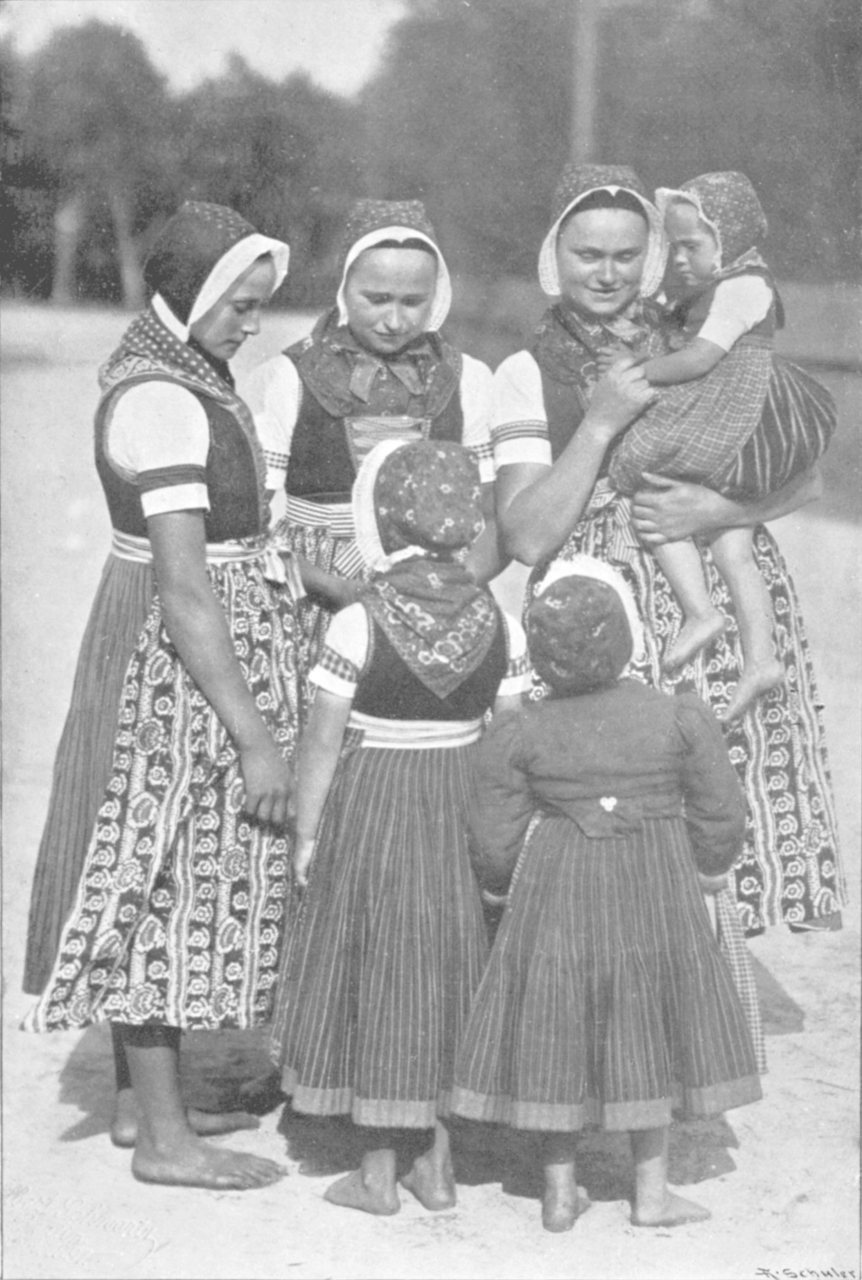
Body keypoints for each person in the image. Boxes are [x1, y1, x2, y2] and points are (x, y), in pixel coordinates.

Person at [491, 162, 844, 951]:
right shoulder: (528, 370)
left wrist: (724, 507)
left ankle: (703, 1000)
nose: (609, 274)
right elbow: (526, 537)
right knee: (608, 804)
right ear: (556, 256)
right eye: (589, 254)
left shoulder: (699, 329)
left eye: (627, 254)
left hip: (706, 579)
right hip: (597, 611)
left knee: (719, 778)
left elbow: (806, 472)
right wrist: (599, 424)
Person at [25, 201, 301, 1191]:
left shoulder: (189, 374)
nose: (251, 324)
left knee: (174, 855)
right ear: (187, 295)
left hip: (186, 637)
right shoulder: (163, 399)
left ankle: (151, 1099)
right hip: (173, 656)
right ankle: (163, 1139)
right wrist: (255, 735)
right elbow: (187, 590)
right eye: (239, 304)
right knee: (156, 864)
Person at [451, 558, 762, 1232]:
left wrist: (499, 888)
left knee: (559, 1022)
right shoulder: (679, 716)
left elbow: (494, 829)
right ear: (627, 641)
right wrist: (709, 869)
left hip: (559, 882)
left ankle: (560, 1191)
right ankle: (651, 1194)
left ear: (540, 657)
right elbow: (721, 813)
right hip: (655, 879)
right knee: (649, 1019)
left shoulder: (521, 730)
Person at [269, 439, 530, 1216]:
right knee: (453, 964)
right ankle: (438, 1162)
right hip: (460, 796)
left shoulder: (358, 621)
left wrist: (307, 837)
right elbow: (510, 741)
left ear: (378, 519)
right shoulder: (500, 620)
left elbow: (320, 744)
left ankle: (379, 1169)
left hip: (376, 799)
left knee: (381, 965)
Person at [241, 197, 502, 717]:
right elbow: (249, 527)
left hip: (437, 600)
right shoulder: (288, 378)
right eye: (376, 298)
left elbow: (489, 518)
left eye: (413, 301)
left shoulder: (468, 378)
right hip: (315, 596)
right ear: (343, 289)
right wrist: (339, 589)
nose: (394, 319)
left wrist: (442, 595)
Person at [600, 172, 836, 722]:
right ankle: (760, 657)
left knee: (642, 472)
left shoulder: (744, 286)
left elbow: (701, 360)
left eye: (692, 246)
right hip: (732, 419)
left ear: (727, 242)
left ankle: (701, 611)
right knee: (733, 548)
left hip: (729, 416)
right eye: (674, 246)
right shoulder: (719, 283)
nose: (680, 258)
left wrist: (638, 369)